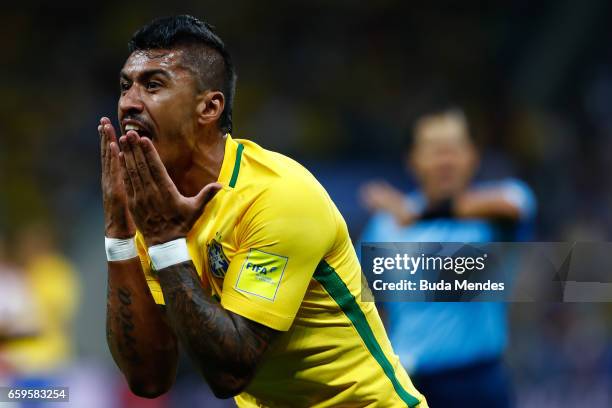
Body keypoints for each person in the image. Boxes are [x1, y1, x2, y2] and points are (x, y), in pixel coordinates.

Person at [100, 15, 426, 407]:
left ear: (209, 107)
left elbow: (230, 372)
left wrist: (166, 242)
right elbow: (149, 379)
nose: (129, 103)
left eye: (153, 85)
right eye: (125, 86)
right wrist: (119, 232)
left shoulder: (277, 196)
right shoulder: (153, 212)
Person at [360, 103, 536, 408]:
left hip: (477, 382)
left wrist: (418, 214)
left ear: (472, 156)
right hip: (408, 384)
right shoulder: (384, 226)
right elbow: (365, 300)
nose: (445, 160)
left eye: (453, 148)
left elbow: (516, 205)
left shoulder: (492, 215)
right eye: (433, 149)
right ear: (412, 160)